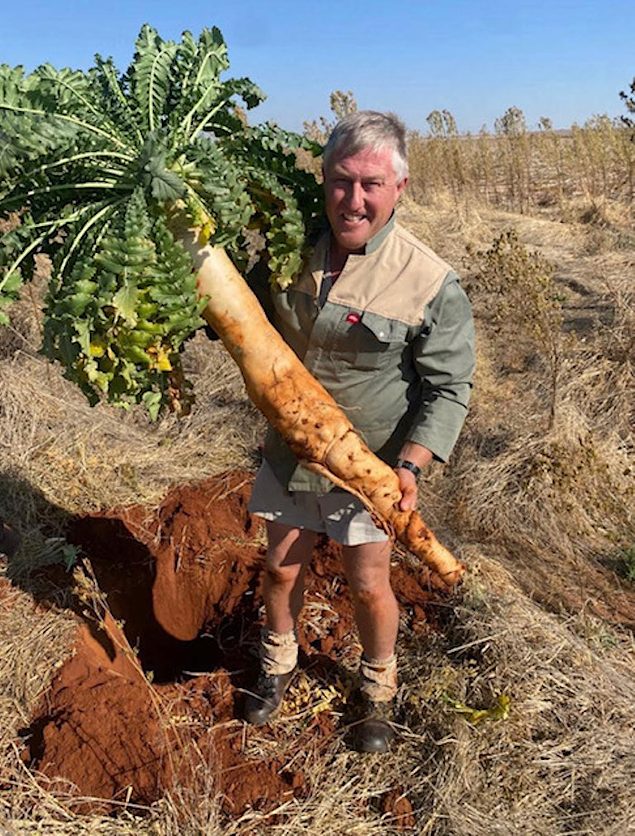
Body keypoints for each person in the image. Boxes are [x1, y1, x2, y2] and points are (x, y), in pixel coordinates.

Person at [244, 110, 475, 753]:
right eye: (342, 181)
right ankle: (278, 662)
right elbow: (244, 322)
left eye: (371, 184)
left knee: (370, 584)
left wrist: (412, 464)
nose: (354, 199)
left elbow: (449, 387)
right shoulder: (291, 249)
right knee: (280, 570)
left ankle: (377, 687)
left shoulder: (428, 281)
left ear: (400, 187)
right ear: (324, 181)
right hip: (289, 454)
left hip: (366, 467)